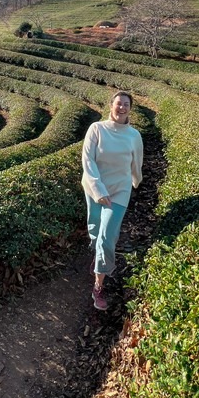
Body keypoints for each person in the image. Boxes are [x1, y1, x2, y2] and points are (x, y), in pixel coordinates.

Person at [81, 91, 143, 311]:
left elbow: (137, 161)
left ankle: (98, 286)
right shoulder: (96, 129)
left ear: (130, 108)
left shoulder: (134, 135)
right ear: (111, 105)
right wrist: (98, 189)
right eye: (119, 103)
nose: (122, 108)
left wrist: (136, 181)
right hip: (95, 187)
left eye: (126, 104)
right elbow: (88, 161)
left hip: (119, 191)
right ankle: (98, 257)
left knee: (107, 237)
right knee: (95, 230)